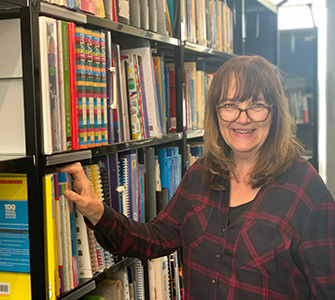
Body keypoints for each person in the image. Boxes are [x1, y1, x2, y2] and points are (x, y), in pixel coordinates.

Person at [61, 55, 335, 299]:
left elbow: (328, 287)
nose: (242, 118)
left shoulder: (305, 188)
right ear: (216, 114)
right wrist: (98, 213)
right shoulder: (202, 174)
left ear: (274, 113)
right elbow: (157, 238)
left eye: (257, 105)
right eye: (230, 105)